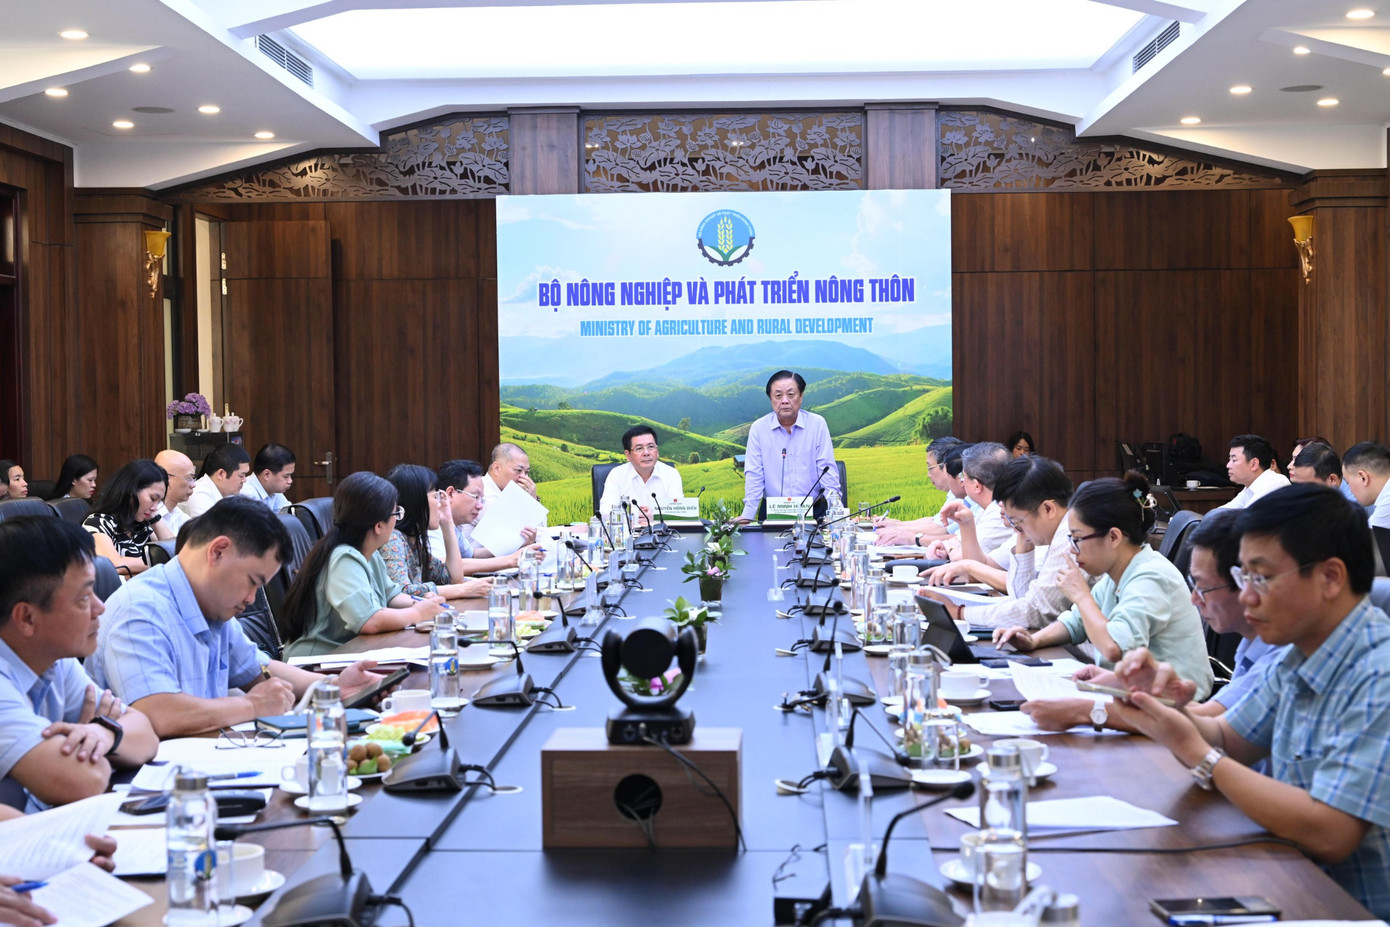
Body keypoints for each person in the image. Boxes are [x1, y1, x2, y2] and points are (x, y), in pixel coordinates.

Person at [1108, 484, 1390, 919]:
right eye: (1243, 577)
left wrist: (1199, 755)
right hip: (1288, 883)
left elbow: (1332, 832)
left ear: (1330, 577)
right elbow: (1229, 735)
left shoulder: (1379, 673)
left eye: (1261, 577)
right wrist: (1158, 706)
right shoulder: (1299, 653)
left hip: (1345, 908)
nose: (1248, 596)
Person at [88, 496, 391, 737]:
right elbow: (157, 712)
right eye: (252, 582)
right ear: (218, 551)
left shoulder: (213, 609)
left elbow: (259, 669)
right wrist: (250, 705)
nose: (250, 598)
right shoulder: (141, 610)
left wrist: (334, 686)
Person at [1023, 508, 1284, 732]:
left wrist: (1088, 711)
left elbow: (1215, 729)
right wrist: (1132, 691)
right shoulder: (1253, 645)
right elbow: (1214, 723)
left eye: (1078, 539)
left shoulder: (1151, 574)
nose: (1194, 599)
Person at [994, 471, 1214, 699]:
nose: (1071, 548)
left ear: (1113, 537)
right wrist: (1033, 640)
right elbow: (1076, 622)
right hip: (1137, 697)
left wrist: (1081, 595)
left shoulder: (1152, 576)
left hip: (1181, 708)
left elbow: (1114, 649)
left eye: (1077, 539)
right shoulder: (1118, 571)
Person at [0, 517, 158, 814]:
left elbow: (145, 733)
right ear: (27, 618)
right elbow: (85, 780)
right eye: (84, 597)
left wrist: (100, 733)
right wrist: (95, 748)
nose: (101, 608)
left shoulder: (53, 660)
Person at [278, 472, 444, 658]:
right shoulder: (343, 558)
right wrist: (417, 614)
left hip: (350, 652)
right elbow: (370, 621)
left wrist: (420, 603)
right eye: (396, 513)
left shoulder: (369, 553)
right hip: (316, 663)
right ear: (378, 526)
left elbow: (392, 596)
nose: (397, 520)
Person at [923, 455, 1085, 631]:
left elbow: (1035, 611)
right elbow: (1021, 597)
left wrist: (959, 612)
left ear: (1048, 509)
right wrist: (1024, 538)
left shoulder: (1070, 536)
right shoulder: (1058, 530)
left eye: (1017, 521)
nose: (1016, 529)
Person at [736, 370, 839, 524]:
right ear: (771, 398)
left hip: (814, 513)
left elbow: (827, 471)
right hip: (772, 513)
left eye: (791, 395)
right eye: (778, 396)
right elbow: (754, 475)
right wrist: (747, 515)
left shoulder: (817, 424)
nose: (784, 401)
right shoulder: (759, 428)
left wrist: (837, 513)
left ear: (801, 396)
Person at [380, 464, 491, 599]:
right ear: (417, 500)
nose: (440, 503)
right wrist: (462, 590)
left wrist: (447, 523)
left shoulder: (414, 540)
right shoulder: (393, 538)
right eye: (436, 496)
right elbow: (402, 591)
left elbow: (452, 577)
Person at [432, 459, 539, 572]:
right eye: (475, 496)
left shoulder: (455, 526)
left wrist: (517, 545)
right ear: (450, 493)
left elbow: (472, 555)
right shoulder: (432, 524)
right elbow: (442, 566)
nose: (480, 506)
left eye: (481, 499)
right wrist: (511, 560)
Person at [81, 459, 175, 576]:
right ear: (131, 490)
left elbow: (173, 552)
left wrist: (154, 518)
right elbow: (116, 564)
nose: (154, 507)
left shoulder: (139, 523)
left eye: (158, 501)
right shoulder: (98, 522)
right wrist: (160, 560)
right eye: (152, 498)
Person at [874, 438, 960, 546]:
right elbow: (935, 520)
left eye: (930, 468)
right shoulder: (955, 494)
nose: (928, 475)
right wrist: (897, 525)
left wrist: (904, 532)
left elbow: (941, 528)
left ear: (947, 467)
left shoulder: (966, 498)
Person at [599, 425, 685, 524]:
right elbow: (605, 512)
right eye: (639, 448)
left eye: (651, 447)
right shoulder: (617, 475)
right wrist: (636, 516)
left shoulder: (671, 474)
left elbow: (680, 511)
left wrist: (655, 515)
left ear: (657, 451)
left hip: (663, 536)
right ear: (628, 455)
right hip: (627, 536)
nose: (646, 453)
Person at [180, 443, 251, 519]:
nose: (244, 480)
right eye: (241, 476)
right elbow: (209, 530)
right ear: (221, 474)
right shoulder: (199, 494)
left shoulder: (230, 493)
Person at [1221, 434, 1289, 510]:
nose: (1228, 465)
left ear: (1254, 464)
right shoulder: (1249, 487)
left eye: (1234, 460)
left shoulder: (1275, 483)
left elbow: (1246, 519)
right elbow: (1221, 512)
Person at [1343, 441, 1390, 529]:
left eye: (1348, 483)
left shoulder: (1388, 500)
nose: (1350, 490)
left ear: (1363, 477)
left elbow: (1361, 539)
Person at [153, 449, 197, 536]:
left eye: (193, 478)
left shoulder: (178, 514)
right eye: (189, 478)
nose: (193, 485)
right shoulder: (147, 515)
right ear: (166, 478)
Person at [240, 443, 295, 512]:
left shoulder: (273, 489)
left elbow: (289, 515)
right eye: (286, 476)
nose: (290, 481)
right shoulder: (246, 495)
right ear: (266, 474)